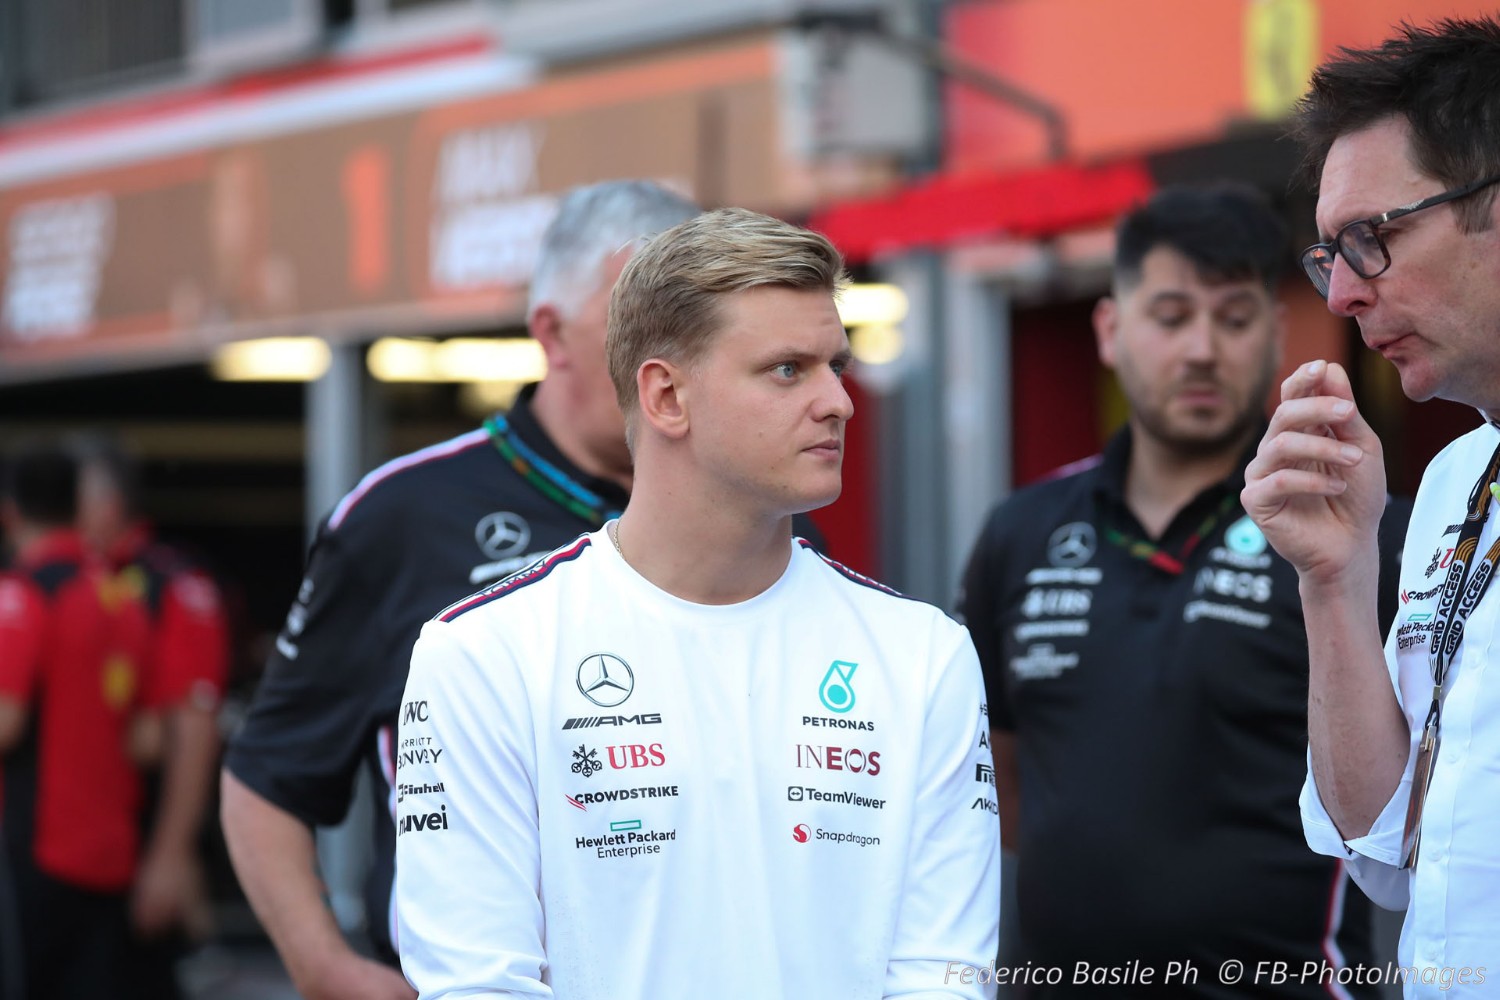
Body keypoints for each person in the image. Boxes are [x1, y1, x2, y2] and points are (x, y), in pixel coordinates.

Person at [395, 208, 1001, 999]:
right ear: (666, 396)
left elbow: (944, 978)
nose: (839, 403)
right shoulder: (484, 654)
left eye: (837, 366)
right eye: (788, 369)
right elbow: (478, 984)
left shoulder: (923, 655)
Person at [220, 179, 702, 1000]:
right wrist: (324, 965)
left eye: (696, 329)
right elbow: (269, 775)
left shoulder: (765, 521)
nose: (670, 362)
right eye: (639, 325)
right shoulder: (403, 516)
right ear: (551, 333)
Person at [959, 185, 1410, 996]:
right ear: (1109, 330)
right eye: (1171, 316)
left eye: (1234, 319)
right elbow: (1004, 780)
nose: (1202, 349)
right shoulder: (1019, 533)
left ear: (1275, 336)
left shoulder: (1352, 535)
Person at [1242, 15, 1500, 992]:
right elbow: (1385, 855)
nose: (1343, 291)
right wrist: (1334, 575)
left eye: (1371, 238)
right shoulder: (1454, 479)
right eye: (1329, 253)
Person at [74, 435, 229, 1000]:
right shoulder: (66, 581)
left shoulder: (170, 583)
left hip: (142, 828)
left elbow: (192, 724)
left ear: (108, 505)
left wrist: (171, 853)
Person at [0, 442, 151, 999]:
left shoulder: (22, 594)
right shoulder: (122, 596)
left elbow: (5, 722)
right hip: (112, 852)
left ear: (10, 512)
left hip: (33, 855)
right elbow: (148, 738)